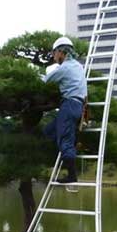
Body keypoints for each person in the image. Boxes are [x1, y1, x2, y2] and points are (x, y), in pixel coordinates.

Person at [43, 36, 87, 184]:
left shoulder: (65, 67)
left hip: (68, 105)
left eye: (54, 53)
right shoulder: (78, 66)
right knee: (49, 131)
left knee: (65, 140)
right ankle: (65, 154)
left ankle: (71, 175)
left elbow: (46, 80)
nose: (54, 57)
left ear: (61, 52)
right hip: (77, 106)